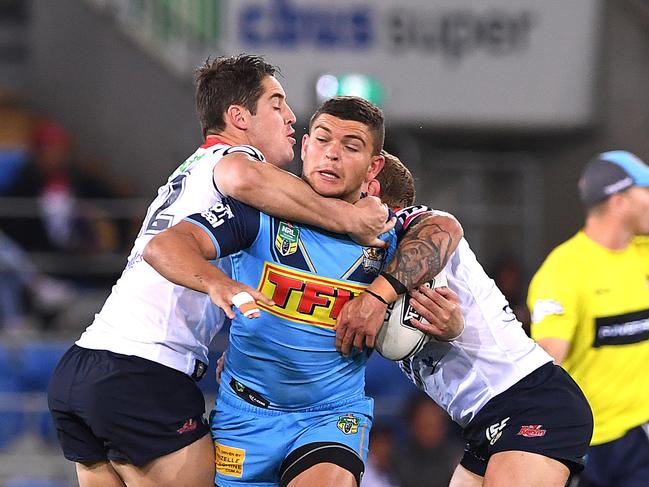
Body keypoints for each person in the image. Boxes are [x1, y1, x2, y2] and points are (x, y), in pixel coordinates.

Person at [47, 55, 391, 487]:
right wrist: (349, 219)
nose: (291, 118)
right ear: (238, 117)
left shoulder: (191, 169)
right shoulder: (232, 159)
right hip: (145, 368)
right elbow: (242, 179)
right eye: (277, 104)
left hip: (84, 365)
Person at [144, 96, 463, 487]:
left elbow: (446, 228)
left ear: (373, 166)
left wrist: (429, 318)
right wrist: (220, 283)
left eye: (351, 147)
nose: (332, 155)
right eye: (324, 141)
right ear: (306, 145)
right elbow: (163, 247)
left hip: (330, 416)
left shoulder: (391, 234)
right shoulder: (256, 214)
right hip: (245, 417)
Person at [336, 152, 594, 487]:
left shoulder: (412, 229)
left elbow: (443, 226)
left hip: (530, 402)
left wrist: (377, 299)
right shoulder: (366, 260)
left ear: (371, 188)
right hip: (483, 419)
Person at [527, 150, 649, 487]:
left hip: (639, 436)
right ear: (619, 201)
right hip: (583, 441)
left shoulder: (644, 253)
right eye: (647, 191)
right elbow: (547, 360)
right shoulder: (563, 271)